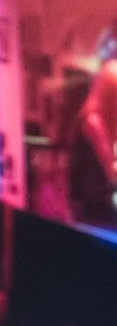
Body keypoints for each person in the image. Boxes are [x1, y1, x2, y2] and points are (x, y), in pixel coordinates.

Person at [68, 26, 117, 227]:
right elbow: (111, 171)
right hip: (92, 213)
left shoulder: (96, 121)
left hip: (93, 209)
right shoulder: (93, 122)